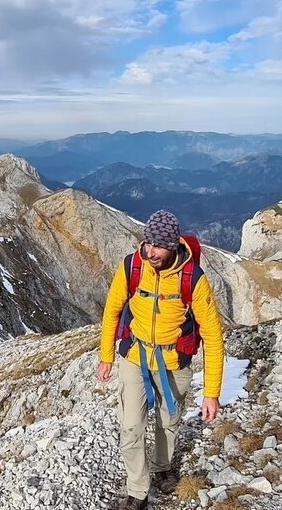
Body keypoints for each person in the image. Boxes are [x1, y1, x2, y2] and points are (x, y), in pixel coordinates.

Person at [96, 210, 225, 510]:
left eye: (158, 245)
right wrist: (105, 356)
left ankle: (163, 466)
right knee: (130, 427)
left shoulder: (193, 279)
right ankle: (137, 490)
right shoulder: (132, 267)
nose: (150, 251)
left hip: (173, 361)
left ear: (174, 245)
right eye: (147, 242)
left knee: (169, 423)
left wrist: (211, 393)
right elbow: (111, 311)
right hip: (135, 357)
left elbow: (214, 337)